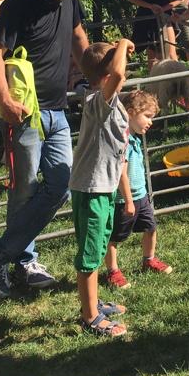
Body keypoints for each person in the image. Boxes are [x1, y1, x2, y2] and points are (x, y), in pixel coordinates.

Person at [0, 0, 89, 295]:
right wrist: (6, 101)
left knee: (61, 183)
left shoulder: (69, 0)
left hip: (58, 111)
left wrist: (98, 80)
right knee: (23, 189)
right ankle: (24, 260)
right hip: (24, 114)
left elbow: (80, 40)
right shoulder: (18, 4)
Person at [68, 38, 134, 338]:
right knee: (90, 252)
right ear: (106, 75)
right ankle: (90, 317)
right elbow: (118, 75)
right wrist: (122, 42)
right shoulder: (99, 101)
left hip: (103, 188)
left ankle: (93, 304)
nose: (126, 68)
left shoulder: (112, 103)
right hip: (92, 190)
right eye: (121, 62)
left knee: (97, 245)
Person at [104, 89, 173, 289]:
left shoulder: (133, 137)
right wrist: (127, 201)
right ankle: (113, 271)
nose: (151, 122)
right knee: (114, 236)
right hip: (124, 199)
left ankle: (149, 259)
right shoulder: (123, 139)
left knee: (150, 227)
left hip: (140, 195)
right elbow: (121, 174)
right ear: (131, 113)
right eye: (148, 116)